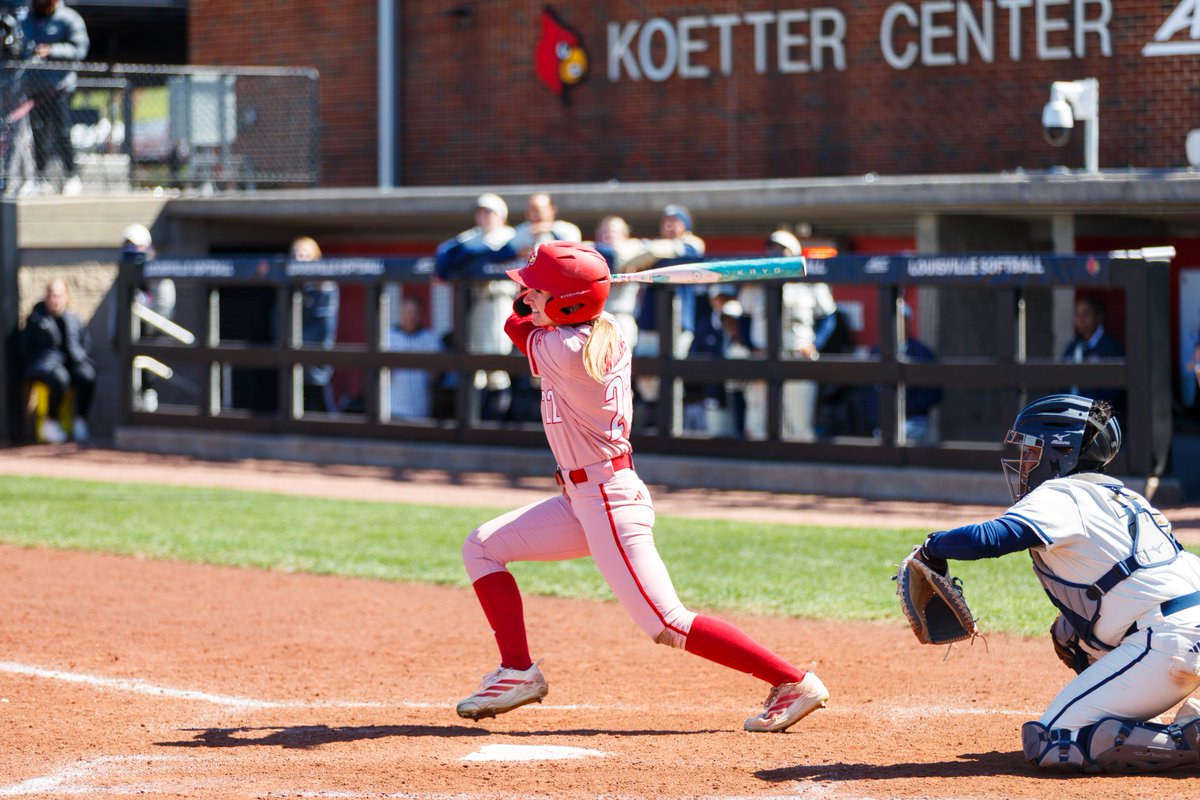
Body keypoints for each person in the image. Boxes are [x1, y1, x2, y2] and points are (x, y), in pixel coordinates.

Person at [455, 241, 829, 732]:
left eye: (538, 289)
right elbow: (532, 315)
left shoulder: (563, 348)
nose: (528, 292)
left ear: (568, 302)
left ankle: (792, 680)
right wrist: (551, 292)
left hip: (607, 500)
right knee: (482, 546)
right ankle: (518, 670)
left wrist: (534, 299)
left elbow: (515, 324)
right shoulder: (600, 332)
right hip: (586, 497)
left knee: (667, 623)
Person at [909, 393, 1200, 773]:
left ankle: (1183, 742)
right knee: (1069, 634)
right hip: (1180, 630)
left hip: (1166, 642)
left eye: (1031, 450)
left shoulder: (1060, 492)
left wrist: (934, 545)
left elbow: (992, 538)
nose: (1023, 463)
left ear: (1058, 452)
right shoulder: (1123, 494)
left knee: (1049, 740)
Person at [738, 230, 838, 440]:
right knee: (760, 422)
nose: (775, 252)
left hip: (797, 355)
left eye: (781, 249)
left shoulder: (810, 280)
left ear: (794, 252)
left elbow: (828, 317)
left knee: (799, 422)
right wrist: (750, 346)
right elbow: (743, 318)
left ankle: (801, 469)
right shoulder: (755, 282)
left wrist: (814, 343)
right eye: (771, 248)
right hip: (763, 355)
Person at [435, 193, 518, 420]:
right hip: (475, 303)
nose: (484, 216)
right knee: (474, 368)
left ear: (501, 215)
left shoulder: (512, 236)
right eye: (481, 211)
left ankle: (499, 420)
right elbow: (444, 255)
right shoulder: (470, 238)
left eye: (490, 211)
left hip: (500, 302)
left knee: (496, 365)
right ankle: (475, 419)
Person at [628, 204, 706, 424]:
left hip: (679, 320)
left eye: (676, 220)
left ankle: (673, 427)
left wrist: (647, 255)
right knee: (645, 374)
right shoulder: (655, 245)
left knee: (672, 374)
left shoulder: (691, 244)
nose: (670, 224)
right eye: (666, 221)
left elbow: (656, 252)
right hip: (649, 319)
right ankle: (654, 423)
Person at [21, 0, 88, 196]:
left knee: (62, 132)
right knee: (38, 135)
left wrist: (52, 51)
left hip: (59, 90)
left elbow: (80, 49)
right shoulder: (28, 19)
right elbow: (20, 45)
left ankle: (70, 176)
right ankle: (41, 178)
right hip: (34, 90)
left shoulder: (69, 18)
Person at [22, 278, 95, 442]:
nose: (54, 300)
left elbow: (85, 344)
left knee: (87, 374)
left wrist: (80, 357)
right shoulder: (36, 319)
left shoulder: (73, 319)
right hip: (44, 366)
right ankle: (51, 422)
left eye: (58, 295)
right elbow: (26, 348)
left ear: (66, 296)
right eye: (51, 295)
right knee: (60, 378)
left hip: (69, 363)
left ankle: (80, 421)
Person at [292, 236, 339, 414]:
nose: (299, 260)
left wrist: (295, 345)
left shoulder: (325, 287)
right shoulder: (288, 287)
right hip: (291, 367)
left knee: (322, 413)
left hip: (316, 368)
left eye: (304, 255)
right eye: (296, 255)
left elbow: (323, 331)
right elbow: (277, 323)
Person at [1062, 296, 1124, 415]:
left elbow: (1114, 389)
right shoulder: (1074, 346)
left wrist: (1096, 409)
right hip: (1070, 413)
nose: (1081, 319)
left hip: (1097, 415)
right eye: (1078, 314)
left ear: (1099, 316)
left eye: (1086, 314)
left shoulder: (1110, 346)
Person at [387, 294, 441, 420]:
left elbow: (436, 376)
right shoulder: (388, 337)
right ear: (401, 314)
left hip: (420, 411)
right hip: (393, 411)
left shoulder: (431, 339)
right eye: (407, 312)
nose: (410, 317)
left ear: (420, 315)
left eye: (414, 313)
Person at [506, 192, 581, 260]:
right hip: (529, 274)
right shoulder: (521, 230)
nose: (535, 214)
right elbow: (499, 255)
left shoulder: (568, 229)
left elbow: (572, 255)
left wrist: (551, 231)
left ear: (552, 210)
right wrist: (517, 253)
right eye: (532, 210)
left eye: (539, 210)